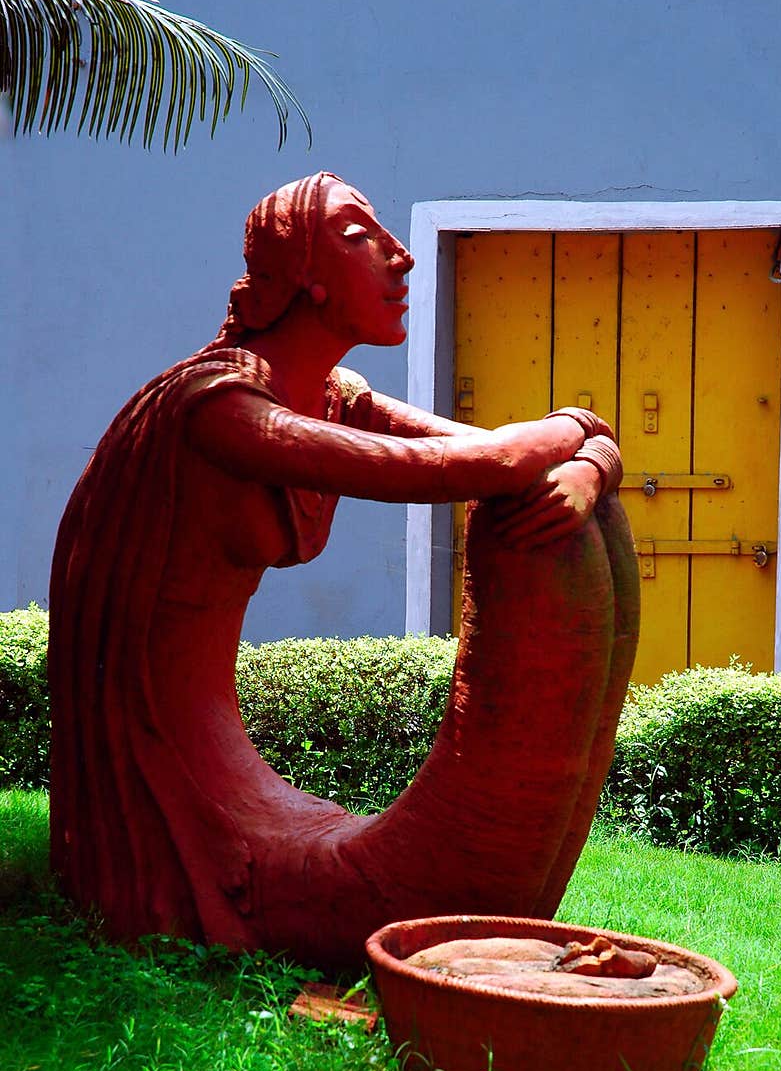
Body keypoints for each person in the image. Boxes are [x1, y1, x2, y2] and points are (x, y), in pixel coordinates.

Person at [48, 171, 638, 970]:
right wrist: (576, 430)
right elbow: (481, 462)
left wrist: (593, 465)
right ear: (306, 275)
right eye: (363, 236)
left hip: (219, 762)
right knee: (530, 515)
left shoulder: (331, 396)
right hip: (168, 789)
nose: (401, 258)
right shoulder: (218, 410)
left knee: (580, 526)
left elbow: (491, 451)